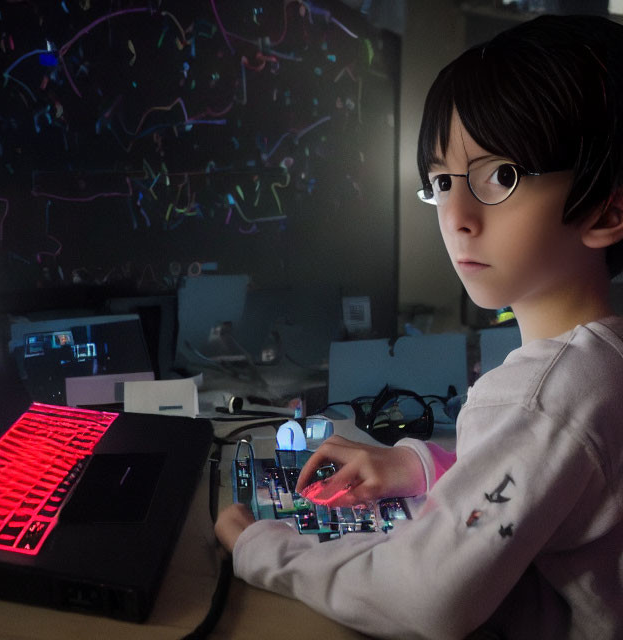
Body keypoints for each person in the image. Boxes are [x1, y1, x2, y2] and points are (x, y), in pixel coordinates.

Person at [215, 14, 623, 639]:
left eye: (500, 175)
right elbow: (557, 491)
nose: (455, 215)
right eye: (440, 182)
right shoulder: (599, 364)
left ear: (608, 206)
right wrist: (425, 468)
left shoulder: (546, 396)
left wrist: (265, 550)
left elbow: (426, 598)